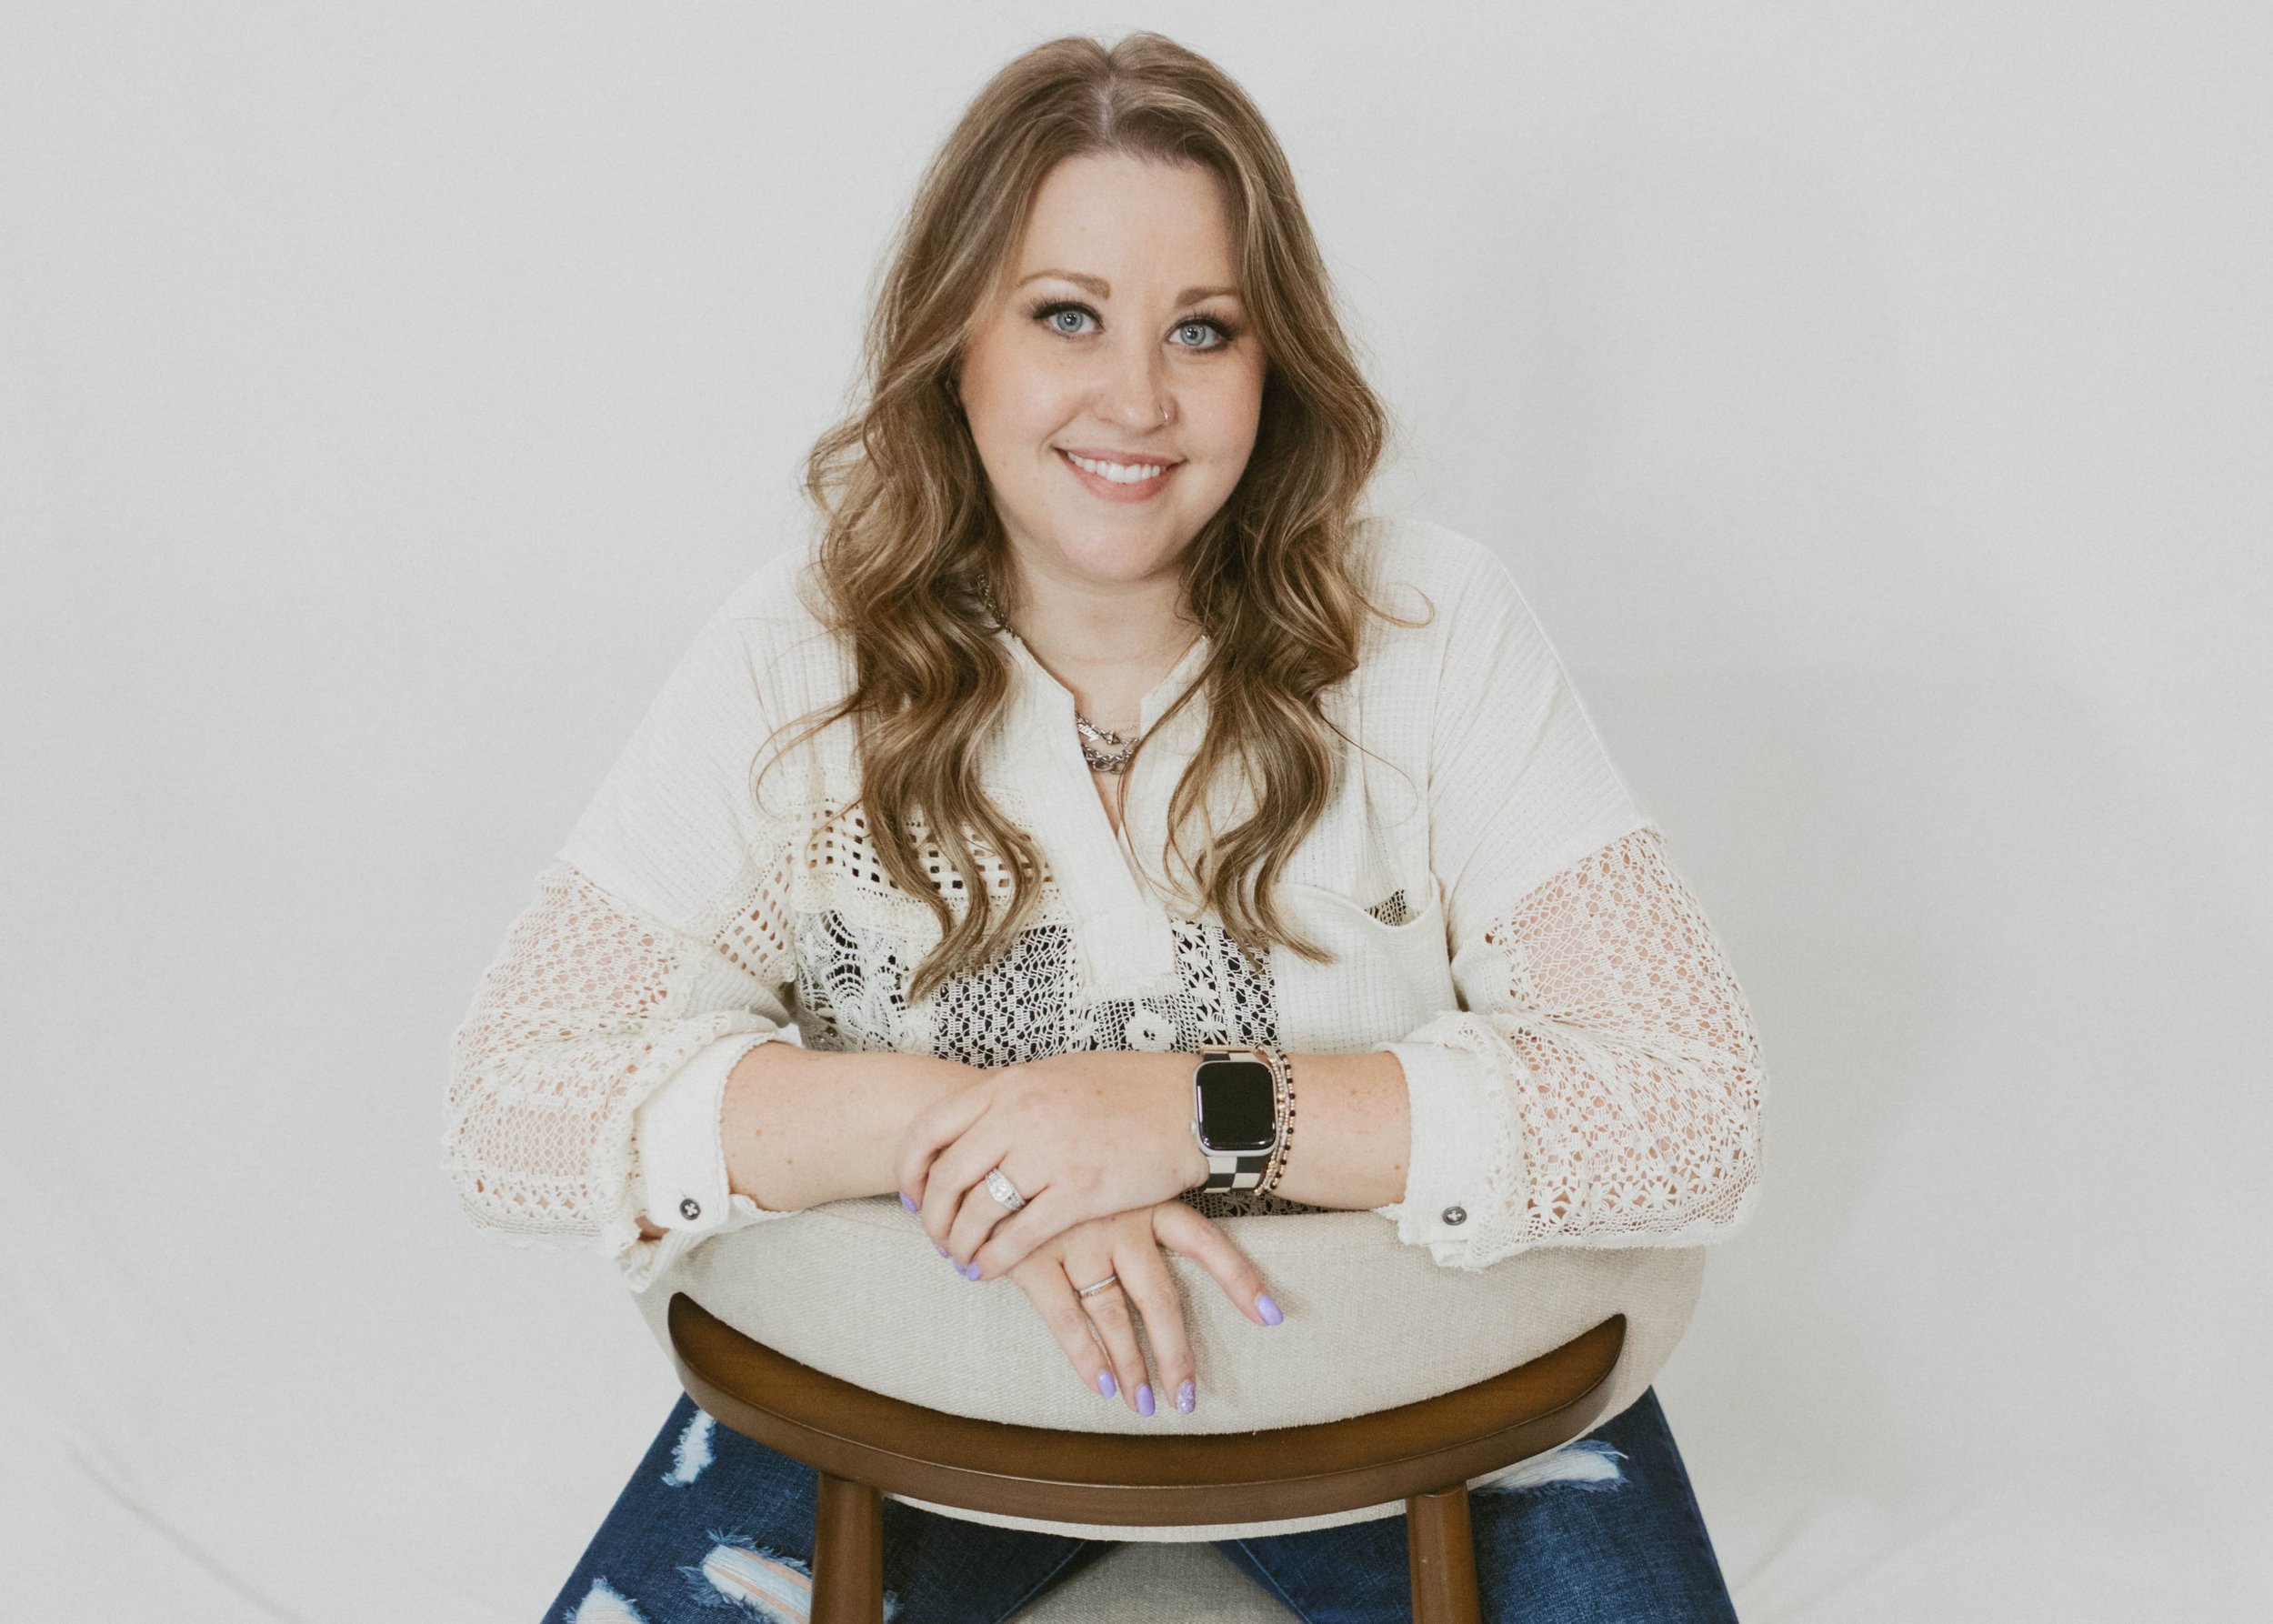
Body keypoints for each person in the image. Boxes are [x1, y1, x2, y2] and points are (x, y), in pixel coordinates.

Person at [445, 30, 1764, 1624]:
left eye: (1202, 330)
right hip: (924, 1398)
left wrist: (1199, 1111)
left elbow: (1697, 1108)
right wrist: (965, 1130)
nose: (1137, 398)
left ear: (1270, 365)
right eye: (1068, 314)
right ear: (960, 340)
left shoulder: (1431, 626)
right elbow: (509, 1103)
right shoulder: (803, 650)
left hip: (1410, 1408)